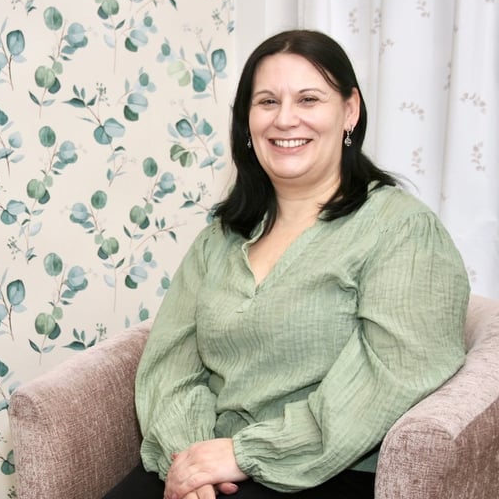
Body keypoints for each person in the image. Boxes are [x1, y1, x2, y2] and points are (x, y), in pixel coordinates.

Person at [102, 29, 470, 499]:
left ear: (350, 111)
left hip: (325, 473)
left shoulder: (401, 229)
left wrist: (246, 453)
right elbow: (170, 363)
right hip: (206, 464)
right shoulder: (221, 235)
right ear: (248, 122)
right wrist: (192, 457)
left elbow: (394, 373)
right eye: (267, 102)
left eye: (309, 99)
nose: (286, 119)